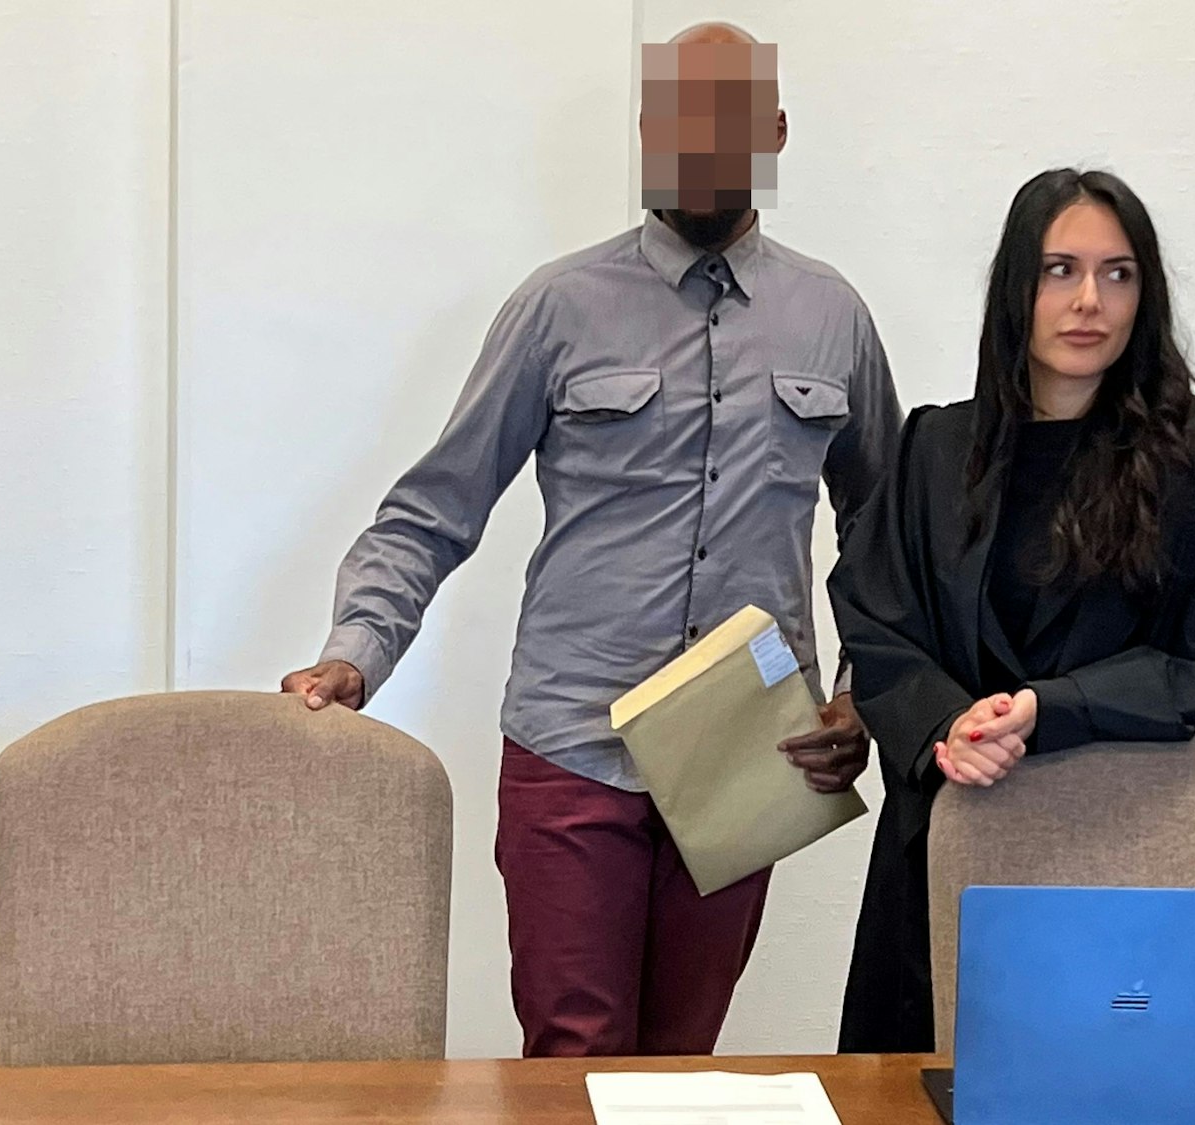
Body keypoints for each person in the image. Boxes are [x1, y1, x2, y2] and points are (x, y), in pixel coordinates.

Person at [278, 22, 902, 1057]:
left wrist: (858, 692)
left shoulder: (831, 316)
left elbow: (887, 535)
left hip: (749, 749)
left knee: (681, 1064)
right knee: (572, 1061)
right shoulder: (558, 307)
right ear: (649, 130)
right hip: (574, 743)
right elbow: (436, 506)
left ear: (776, 133)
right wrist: (358, 648)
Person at [828, 168, 1195, 1054]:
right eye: (1060, 270)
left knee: (1106, 1082)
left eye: (1118, 274)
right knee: (909, 1091)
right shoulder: (935, 448)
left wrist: (1052, 708)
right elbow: (876, 619)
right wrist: (949, 722)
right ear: (1017, 286)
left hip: (1129, 847)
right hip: (946, 844)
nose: (1090, 301)